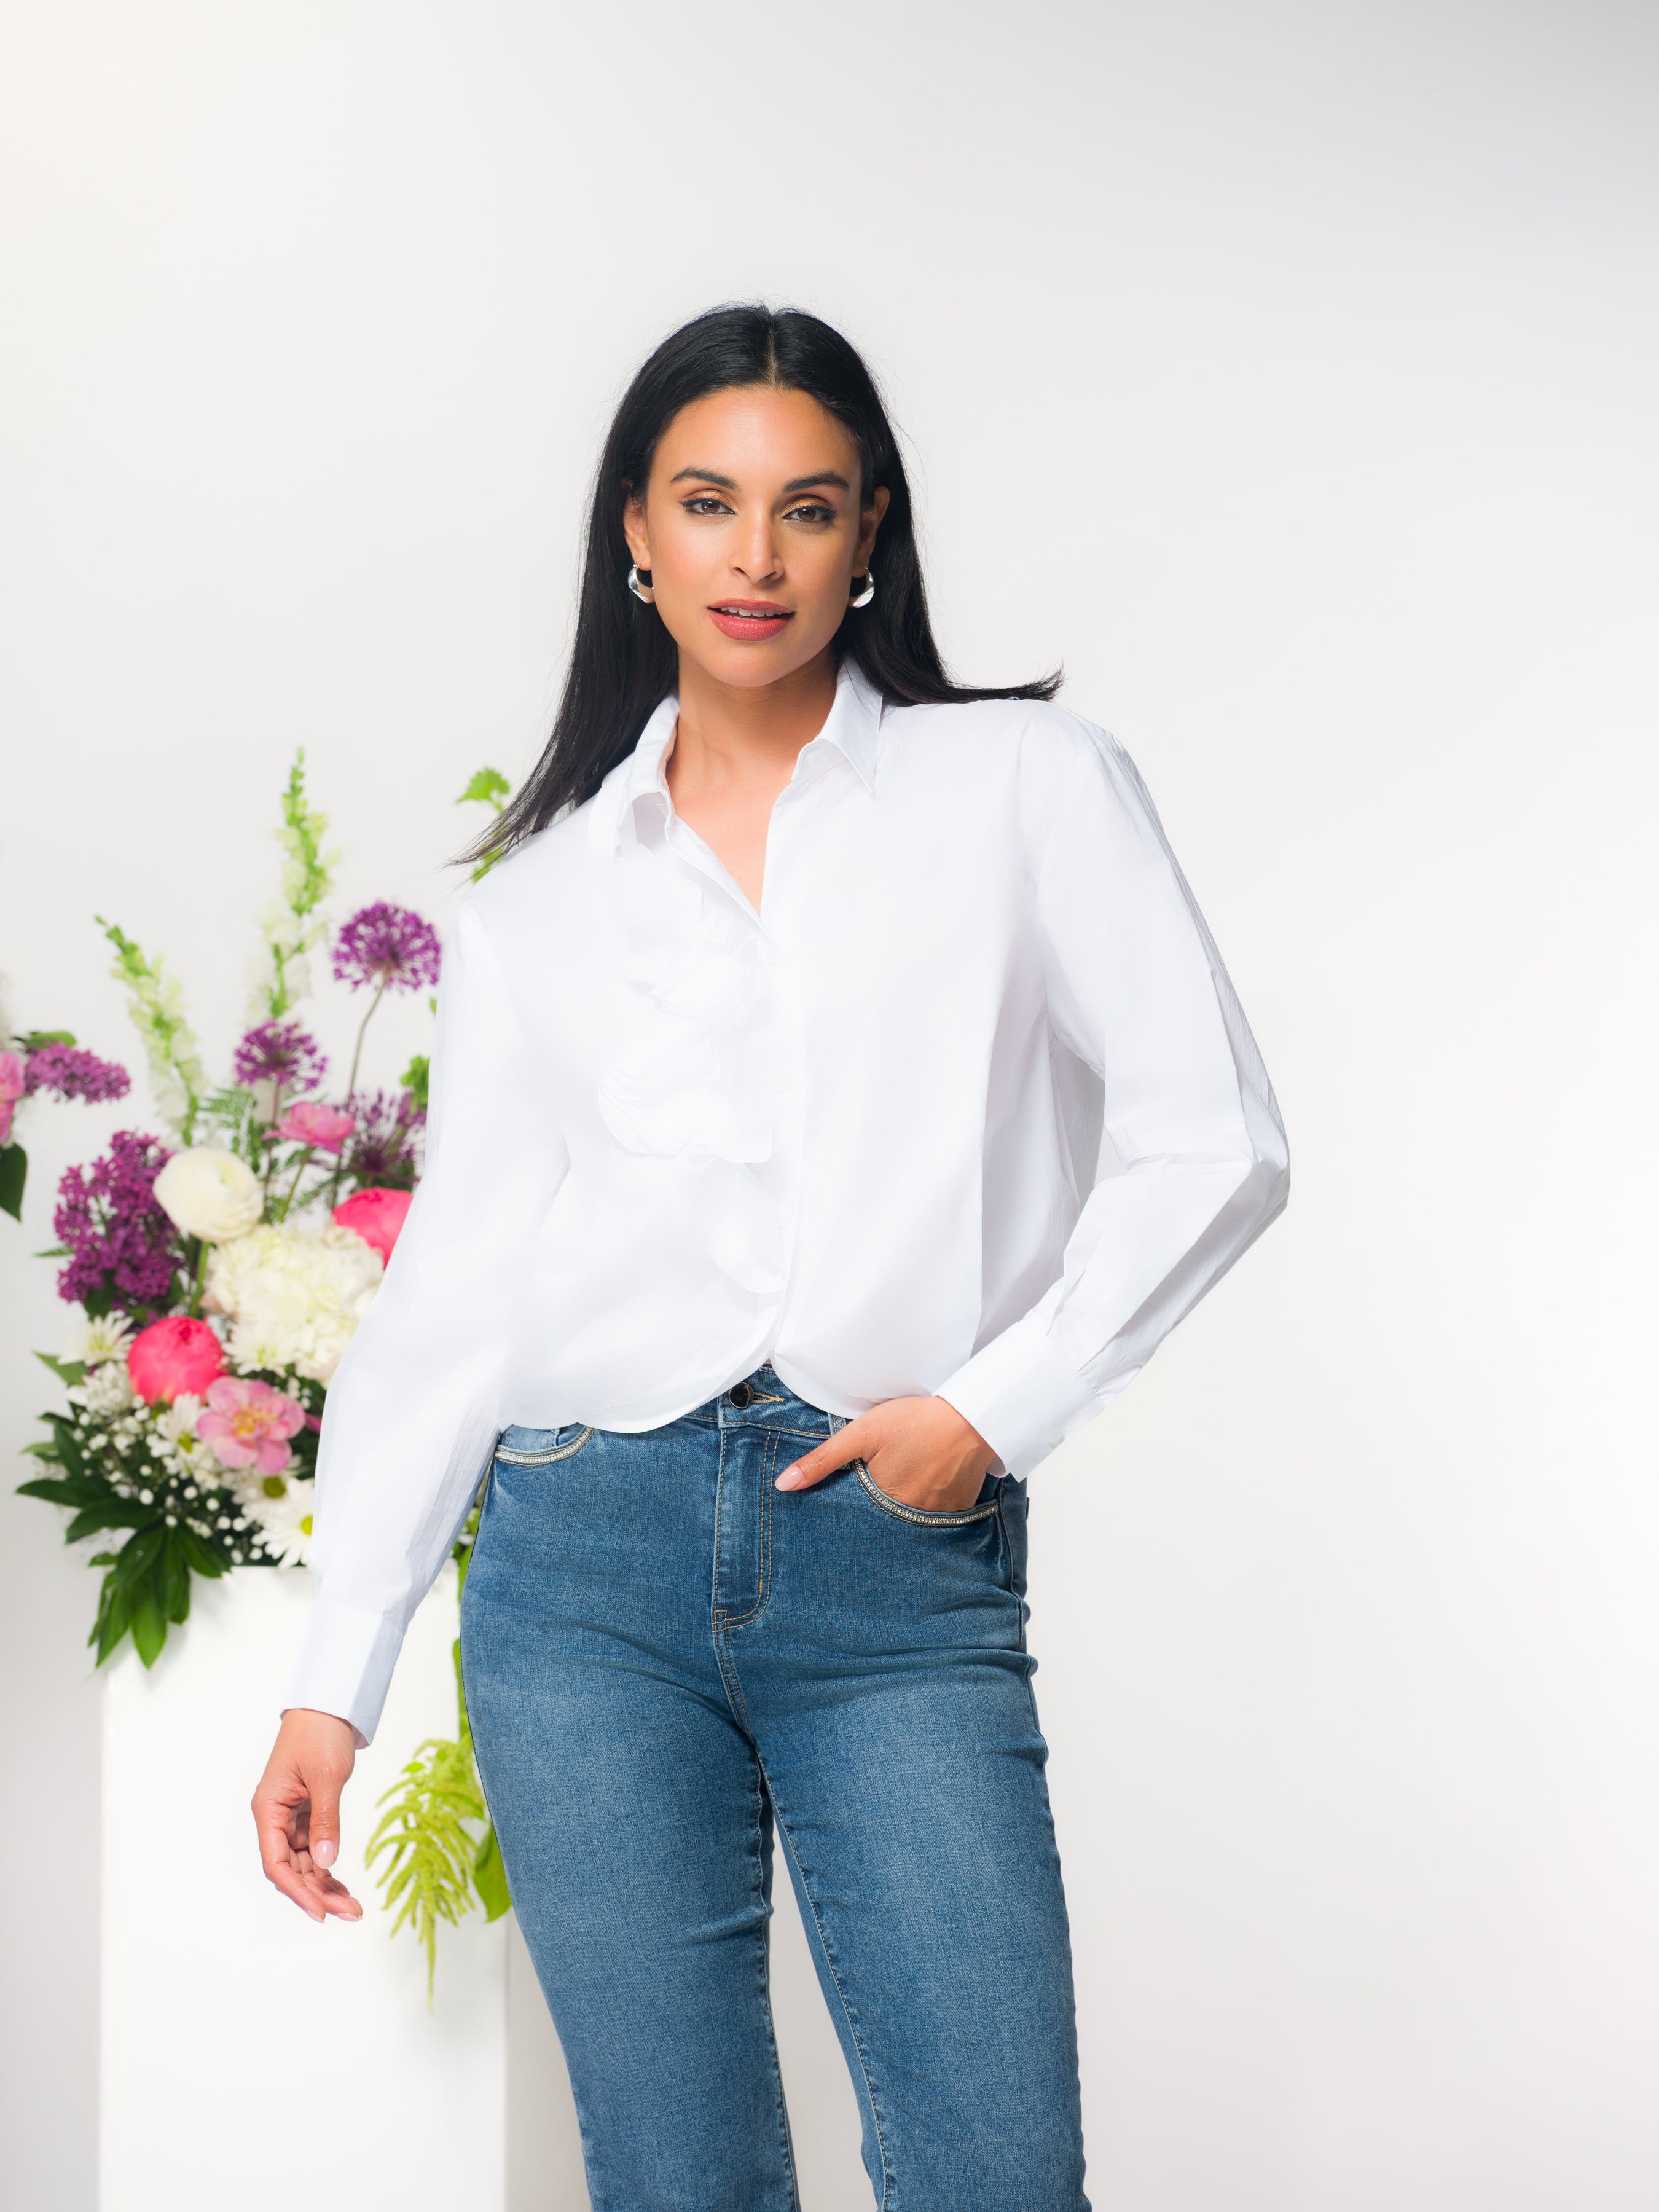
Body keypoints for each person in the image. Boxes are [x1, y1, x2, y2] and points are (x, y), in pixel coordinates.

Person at [253, 302, 1288, 2210]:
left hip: (887, 1556)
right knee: (673, 2180)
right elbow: (459, 1292)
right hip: (579, 1579)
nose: (754, 555)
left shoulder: (1027, 788)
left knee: (992, 2172)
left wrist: (989, 1407)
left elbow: (1211, 1140)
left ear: (868, 533)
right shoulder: (542, 898)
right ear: (632, 535)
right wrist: (337, 1670)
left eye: (805, 509)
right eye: (707, 504)